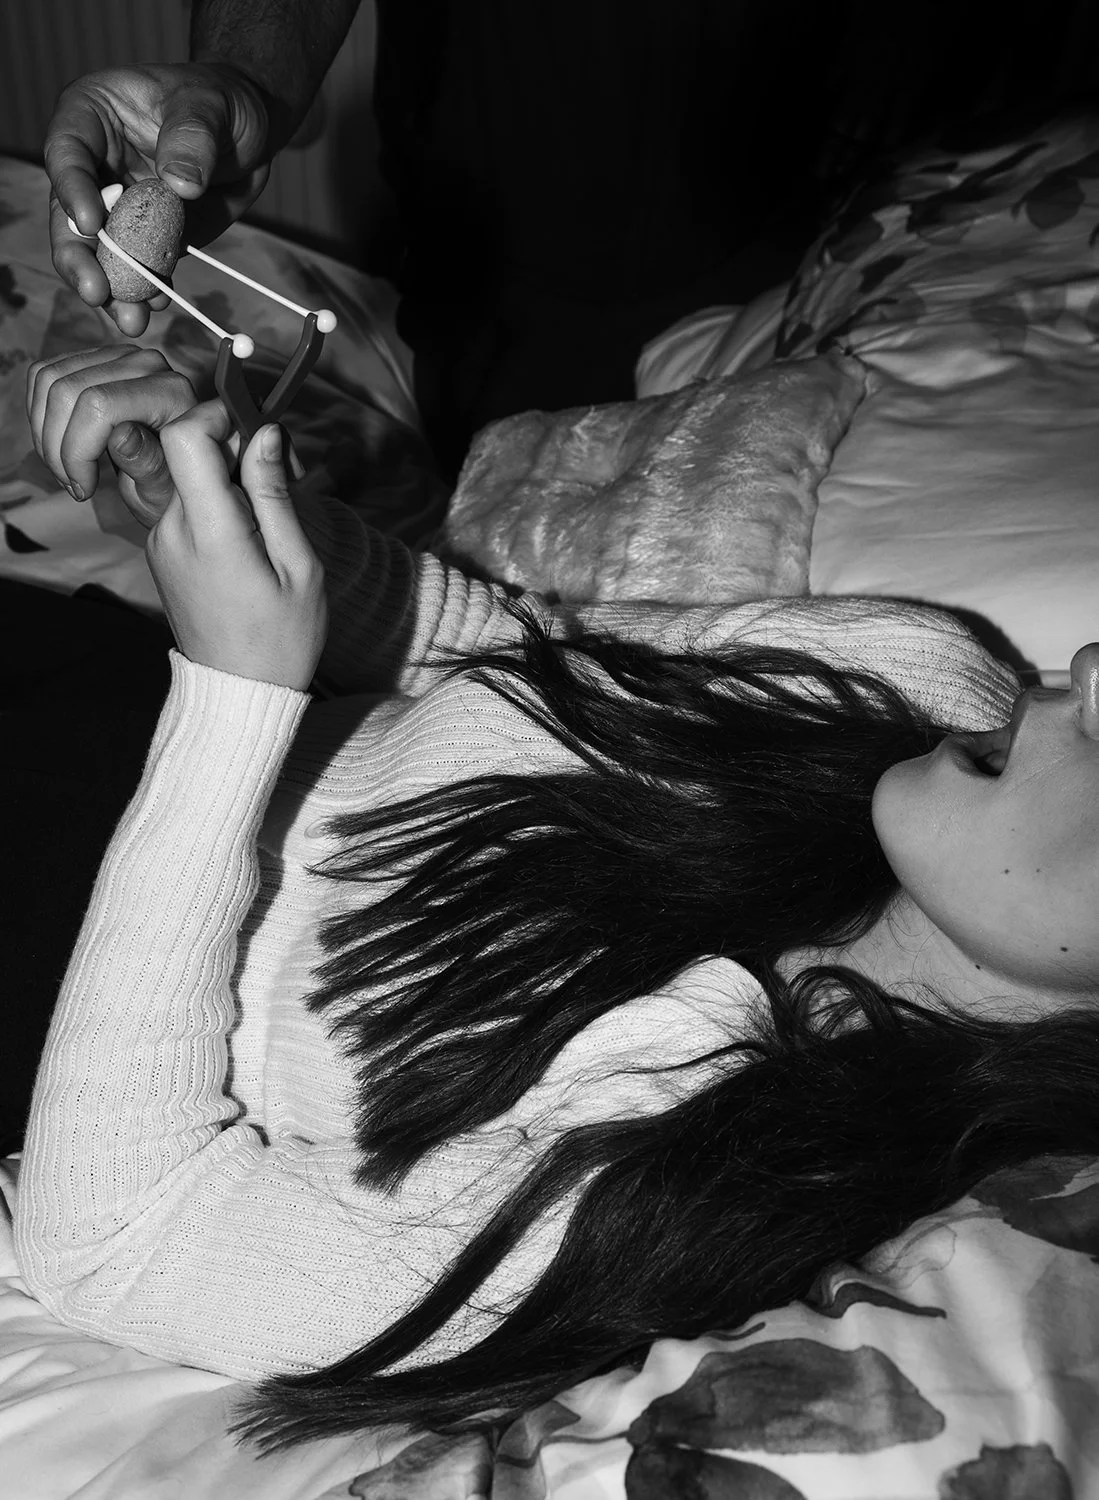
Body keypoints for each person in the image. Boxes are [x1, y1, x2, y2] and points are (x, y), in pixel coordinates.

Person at [13, 343, 1099, 1453]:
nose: (1095, 669)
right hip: (91, 684)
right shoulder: (920, 679)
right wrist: (247, 529)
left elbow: (115, 1242)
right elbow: (506, 654)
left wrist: (235, 695)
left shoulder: (716, 1176)